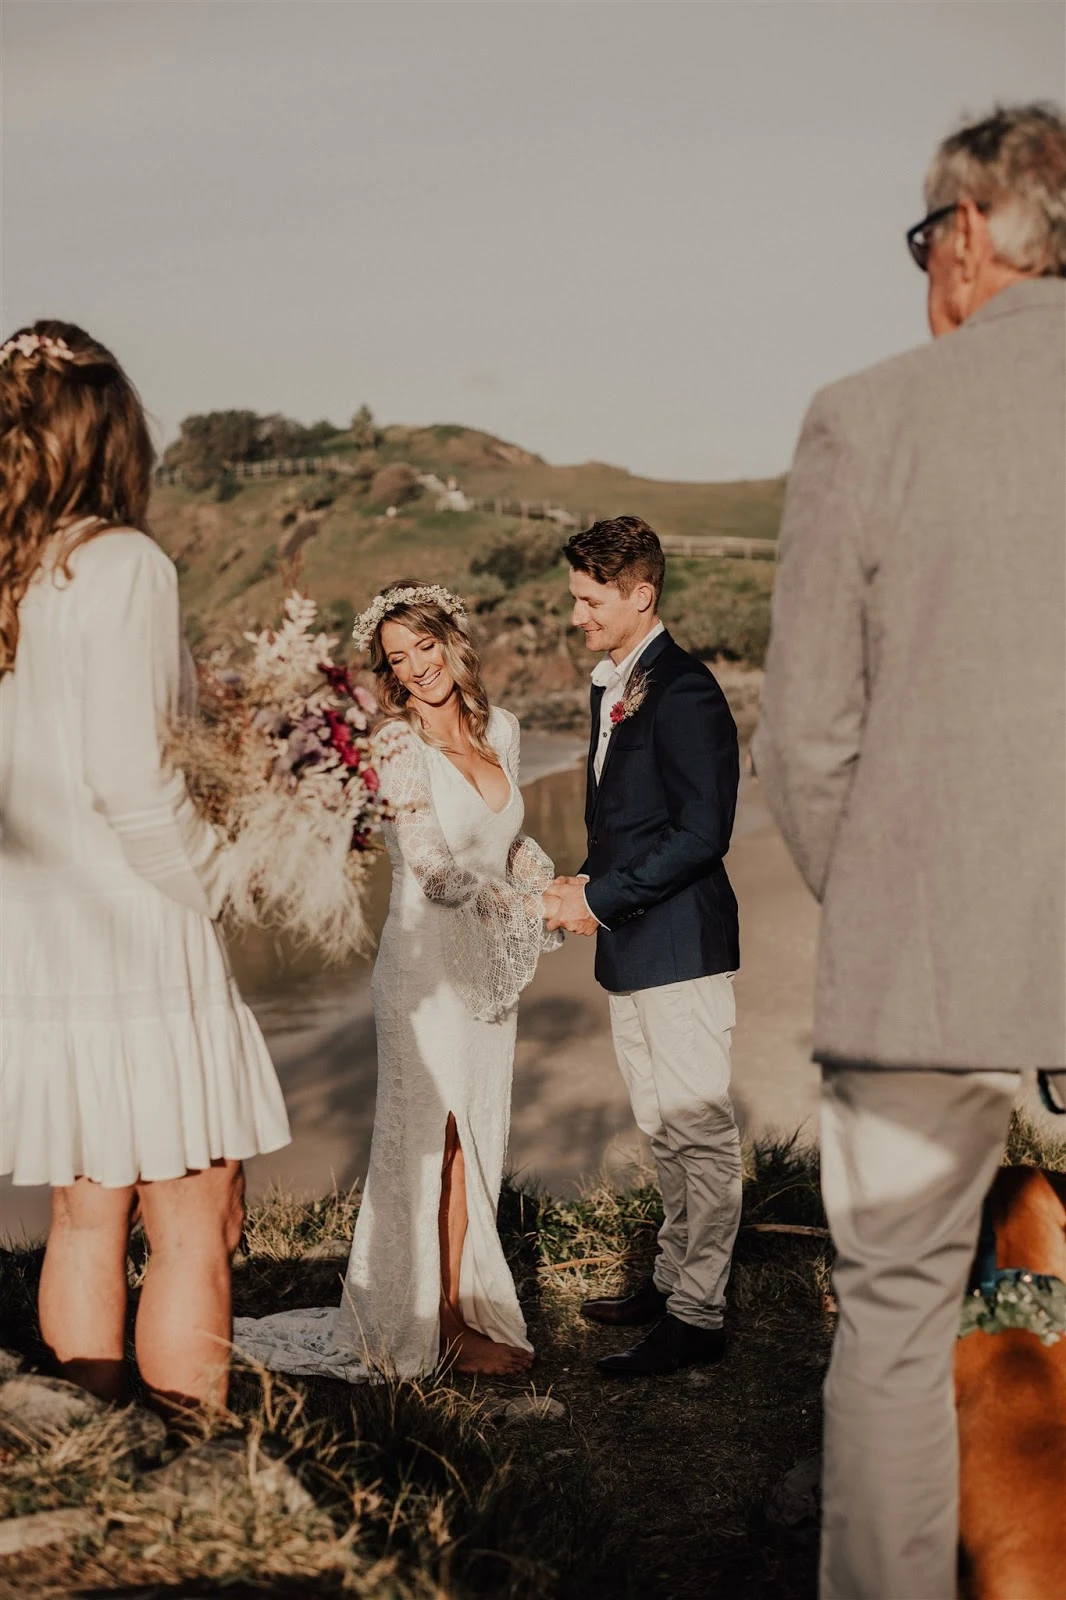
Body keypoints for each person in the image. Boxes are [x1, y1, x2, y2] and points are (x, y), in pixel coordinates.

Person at [751, 103, 1066, 1600]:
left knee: (889, 1321)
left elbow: (805, 737)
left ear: (959, 240)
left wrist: (880, 896)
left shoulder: (864, 416)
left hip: (922, 961)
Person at [0, 320, 291, 1422]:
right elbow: (133, 780)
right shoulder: (121, 562)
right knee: (193, 1205)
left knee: (86, 1201)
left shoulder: (10, 573)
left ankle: (95, 1433)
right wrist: (221, 879)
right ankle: (194, 1451)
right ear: (104, 430)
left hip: (35, 927)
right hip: (132, 918)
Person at [234, 584, 560, 1379]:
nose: (416, 668)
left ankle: (458, 1304)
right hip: (423, 968)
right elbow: (437, 873)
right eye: (398, 658)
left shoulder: (504, 732)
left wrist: (558, 882)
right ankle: (430, 1321)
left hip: (486, 967)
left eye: (425, 646)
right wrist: (534, 903)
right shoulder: (394, 745)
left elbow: (503, 845)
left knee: (473, 1137)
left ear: (453, 640)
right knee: (430, 1138)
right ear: (387, 670)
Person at [544, 517, 742, 1377]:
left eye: (590, 600)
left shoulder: (686, 689)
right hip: (632, 942)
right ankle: (669, 1280)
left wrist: (600, 898)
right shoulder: (611, 687)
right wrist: (575, 886)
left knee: (700, 1131)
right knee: (662, 1126)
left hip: (680, 944)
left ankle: (700, 1314)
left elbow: (703, 833)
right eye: (575, 598)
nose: (577, 615)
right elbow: (626, 821)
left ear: (639, 595)